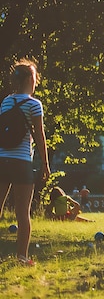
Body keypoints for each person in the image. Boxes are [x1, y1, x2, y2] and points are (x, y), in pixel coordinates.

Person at [0, 58, 50, 266]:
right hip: (21, 163)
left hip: (2, 160)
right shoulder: (34, 104)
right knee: (22, 212)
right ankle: (22, 257)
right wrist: (45, 163)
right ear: (31, 78)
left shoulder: (6, 102)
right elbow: (39, 136)